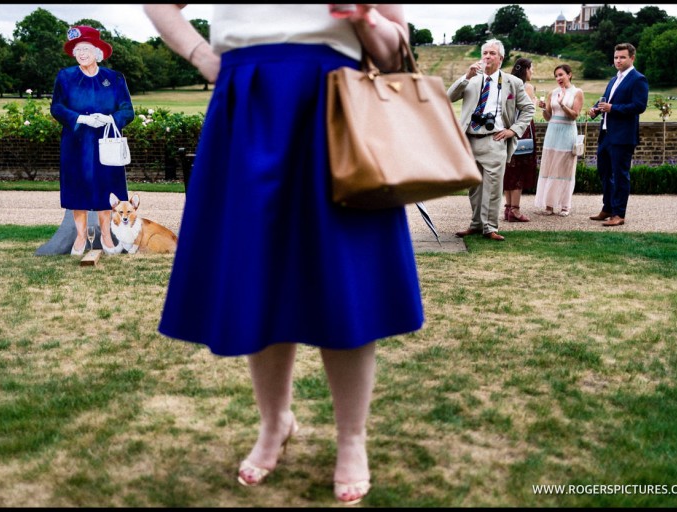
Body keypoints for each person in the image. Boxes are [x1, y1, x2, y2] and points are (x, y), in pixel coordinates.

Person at [143, 4, 423, 505]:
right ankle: (275, 423)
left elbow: (397, 47)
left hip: (337, 108)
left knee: (344, 281)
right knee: (259, 277)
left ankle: (351, 439)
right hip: (247, 104)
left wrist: (364, 17)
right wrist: (204, 56)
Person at [50, 25, 134, 255]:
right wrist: (80, 119)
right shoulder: (65, 77)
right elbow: (56, 107)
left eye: (86, 48)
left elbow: (128, 110)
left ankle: (107, 236)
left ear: (98, 51)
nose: (82, 53)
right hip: (75, 143)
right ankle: (80, 237)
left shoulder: (114, 78)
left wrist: (109, 119)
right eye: (77, 49)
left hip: (105, 144)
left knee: (107, 188)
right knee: (77, 189)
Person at [448, 39, 535, 241]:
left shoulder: (513, 82)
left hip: (495, 139)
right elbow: (449, 96)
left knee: (494, 187)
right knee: (474, 187)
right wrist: (466, 76)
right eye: (485, 53)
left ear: (501, 58)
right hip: (470, 139)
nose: (487, 56)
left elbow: (529, 108)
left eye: (492, 53)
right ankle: (476, 224)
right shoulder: (472, 79)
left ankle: (490, 227)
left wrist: (513, 130)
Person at [587, 42, 649, 226]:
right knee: (604, 173)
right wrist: (596, 110)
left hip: (623, 136)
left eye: (622, 57)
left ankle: (619, 214)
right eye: (616, 57)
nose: (618, 60)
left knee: (620, 175)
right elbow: (605, 101)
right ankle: (607, 208)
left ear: (632, 58)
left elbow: (639, 106)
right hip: (606, 134)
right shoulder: (614, 79)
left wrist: (613, 108)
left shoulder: (638, 79)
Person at [533, 64, 584, 217]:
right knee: (549, 167)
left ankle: (564, 205)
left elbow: (575, 115)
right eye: (556, 76)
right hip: (553, 131)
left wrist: (562, 104)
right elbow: (549, 117)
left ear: (570, 74)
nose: (558, 78)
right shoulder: (552, 93)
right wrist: (543, 108)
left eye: (561, 74)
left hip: (567, 131)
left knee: (565, 168)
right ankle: (548, 205)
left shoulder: (577, 92)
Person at [503, 58, 538, 223]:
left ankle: (508, 207)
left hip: (509, 128)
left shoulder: (507, 85)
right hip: (523, 131)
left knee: (509, 170)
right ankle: (515, 210)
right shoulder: (527, 87)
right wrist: (536, 103)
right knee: (519, 171)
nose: (532, 72)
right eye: (531, 69)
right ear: (525, 70)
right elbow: (529, 110)